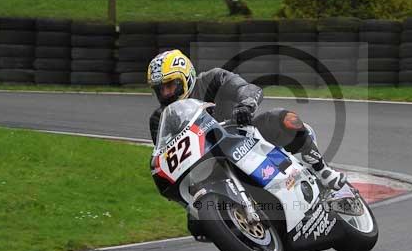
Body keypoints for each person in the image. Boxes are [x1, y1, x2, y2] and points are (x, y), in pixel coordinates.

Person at [147, 49, 346, 190]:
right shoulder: (159, 119)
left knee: (283, 118)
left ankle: (322, 170)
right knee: (196, 222)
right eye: (160, 89)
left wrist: (246, 105)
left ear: (185, 78)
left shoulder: (213, 79)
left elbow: (247, 88)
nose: (166, 93)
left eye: (170, 86)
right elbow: (165, 157)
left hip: (245, 137)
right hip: (209, 164)